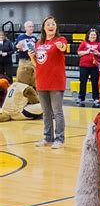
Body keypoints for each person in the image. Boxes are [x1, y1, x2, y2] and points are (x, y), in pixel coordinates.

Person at [28, 16, 67, 149]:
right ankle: (47, 137)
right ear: (44, 28)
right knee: (46, 112)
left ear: (56, 27)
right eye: (48, 24)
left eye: (53, 24)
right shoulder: (39, 43)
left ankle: (60, 139)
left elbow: (63, 48)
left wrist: (61, 46)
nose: (51, 26)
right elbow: (38, 64)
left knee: (57, 112)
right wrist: (32, 57)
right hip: (42, 81)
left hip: (56, 82)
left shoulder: (61, 40)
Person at [77, 28, 100, 107]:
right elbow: (79, 53)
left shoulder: (99, 44)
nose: (93, 36)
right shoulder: (84, 43)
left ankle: (96, 98)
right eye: (91, 34)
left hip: (94, 66)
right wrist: (87, 52)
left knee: (95, 83)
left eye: (94, 35)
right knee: (83, 82)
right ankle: (81, 97)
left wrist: (97, 53)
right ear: (88, 36)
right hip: (84, 66)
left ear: (97, 36)